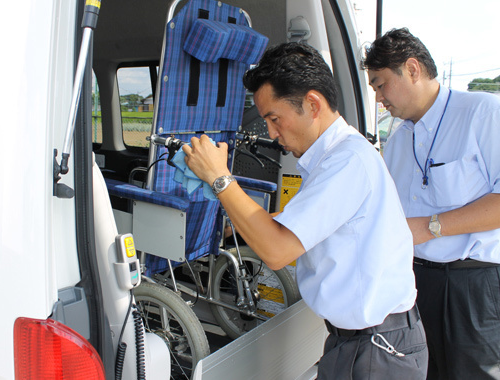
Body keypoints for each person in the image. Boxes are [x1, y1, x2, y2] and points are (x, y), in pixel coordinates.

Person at [182, 42, 428, 379]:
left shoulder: (348, 161)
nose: (270, 132)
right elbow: (300, 228)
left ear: (312, 104)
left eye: (274, 118)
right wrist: (240, 226)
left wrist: (218, 176)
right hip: (357, 341)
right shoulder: (332, 158)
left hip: (377, 350)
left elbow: (278, 250)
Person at [362, 27, 500, 380]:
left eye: (380, 84)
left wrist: (428, 227)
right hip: (415, 281)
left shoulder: (483, 113)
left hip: (473, 284)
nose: (379, 99)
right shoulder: (397, 139)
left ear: (412, 69)